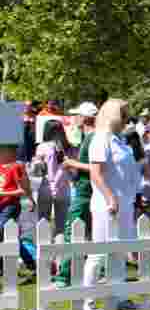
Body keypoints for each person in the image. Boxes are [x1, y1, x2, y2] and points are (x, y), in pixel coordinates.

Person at [84, 99, 141, 310]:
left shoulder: (120, 140)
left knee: (119, 251)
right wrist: (110, 198)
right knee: (99, 254)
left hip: (124, 203)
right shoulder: (100, 139)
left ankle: (119, 298)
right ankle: (88, 302)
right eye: (123, 115)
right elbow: (96, 173)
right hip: (106, 205)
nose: (127, 119)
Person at [57, 102, 98, 288]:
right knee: (90, 234)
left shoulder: (92, 138)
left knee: (72, 232)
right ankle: (91, 274)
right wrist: (72, 168)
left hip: (86, 193)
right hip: (88, 190)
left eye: (77, 115)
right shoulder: (88, 137)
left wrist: (72, 163)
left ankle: (64, 277)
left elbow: (97, 168)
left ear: (85, 118)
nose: (74, 118)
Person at [0, 143, 37, 277]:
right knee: (11, 237)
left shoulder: (16, 166)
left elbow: (23, 189)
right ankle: (31, 264)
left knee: (2, 231)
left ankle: (4, 267)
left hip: (10, 206)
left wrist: (31, 199)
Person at [33, 120, 71, 238]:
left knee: (43, 221)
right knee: (62, 224)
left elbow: (38, 172)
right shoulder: (69, 147)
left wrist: (37, 163)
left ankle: (44, 245)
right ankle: (60, 245)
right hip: (63, 187)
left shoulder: (42, 147)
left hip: (47, 187)